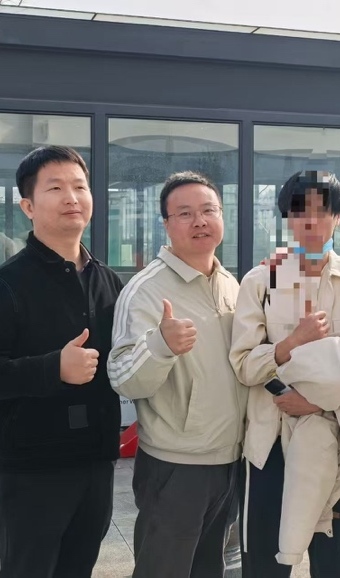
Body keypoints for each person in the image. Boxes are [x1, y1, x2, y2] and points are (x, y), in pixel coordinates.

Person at [0, 145, 122, 578]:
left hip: (95, 462)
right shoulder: (3, 285)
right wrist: (53, 368)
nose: (72, 197)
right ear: (28, 206)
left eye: (80, 187)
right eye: (55, 188)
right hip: (32, 469)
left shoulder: (108, 280)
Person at [230, 170, 340, 578]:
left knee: (334, 566)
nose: (311, 221)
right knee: (264, 567)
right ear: (287, 218)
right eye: (299, 211)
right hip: (269, 447)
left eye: (323, 211)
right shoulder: (261, 281)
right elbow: (243, 365)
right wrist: (292, 344)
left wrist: (317, 401)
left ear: (337, 217)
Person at [108, 172, 246, 578]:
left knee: (209, 568)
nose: (199, 221)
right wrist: (160, 345)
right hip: (176, 464)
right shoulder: (146, 289)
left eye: (208, 210)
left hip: (230, 458)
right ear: (166, 225)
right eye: (184, 213)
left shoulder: (230, 284)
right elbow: (123, 378)